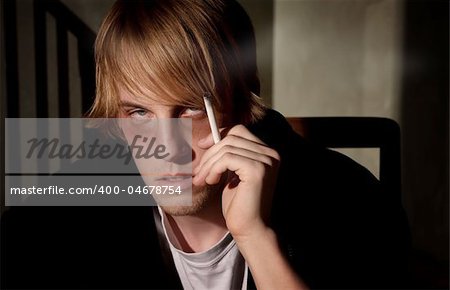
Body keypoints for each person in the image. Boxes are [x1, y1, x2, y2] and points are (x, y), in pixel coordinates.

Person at [1, 0, 410, 289]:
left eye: (191, 109)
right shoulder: (54, 217)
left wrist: (256, 238)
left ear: (243, 100)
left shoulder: (348, 200)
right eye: (140, 113)